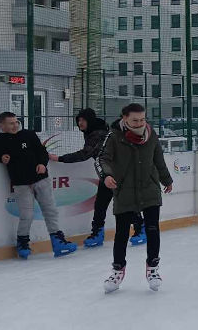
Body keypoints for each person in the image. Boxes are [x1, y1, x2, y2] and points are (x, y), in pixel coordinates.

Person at [98, 103, 173, 292]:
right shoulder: (114, 136)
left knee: (152, 229)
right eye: (135, 120)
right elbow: (103, 158)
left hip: (149, 188)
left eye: (142, 119)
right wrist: (106, 175)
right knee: (121, 233)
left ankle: (153, 268)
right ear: (124, 119)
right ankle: (117, 271)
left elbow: (159, 159)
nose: (139, 123)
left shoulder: (151, 134)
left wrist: (166, 179)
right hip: (124, 190)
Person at [48, 108, 143, 248]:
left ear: (90, 120)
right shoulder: (94, 131)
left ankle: (141, 228)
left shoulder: (98, 133)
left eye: (83, 120)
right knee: (101, 204)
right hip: (107, 173)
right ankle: (98, 233)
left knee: (123, 203)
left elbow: (85, 154)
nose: (80, 123)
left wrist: (60, 158)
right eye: (78, 120)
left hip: (118, 172)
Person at [0, 112, 76, 259]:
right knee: (27, 215)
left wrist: (42, 164)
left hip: (41, 179)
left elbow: (42, 152)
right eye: (11, 123)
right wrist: (0, 157)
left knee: (50, 210)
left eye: (16, 122)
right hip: (21, 183)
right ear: (2, 125)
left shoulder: (29, 135)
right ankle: (22, 242)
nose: (15, 125)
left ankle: (58, 242)